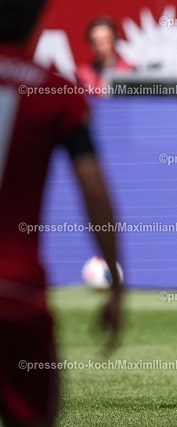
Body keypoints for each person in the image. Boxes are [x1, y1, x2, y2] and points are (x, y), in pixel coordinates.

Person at [0, 1, 123, 426]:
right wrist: (116, 286)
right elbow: (95, 193)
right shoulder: (54, 91)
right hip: (16, 291)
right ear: (38, 16)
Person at [75, 16, 132, 92]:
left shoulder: (128, 70)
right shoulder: (82, 73)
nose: (99, 46)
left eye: (104, 40)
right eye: (95, 41)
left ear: (114, 40)